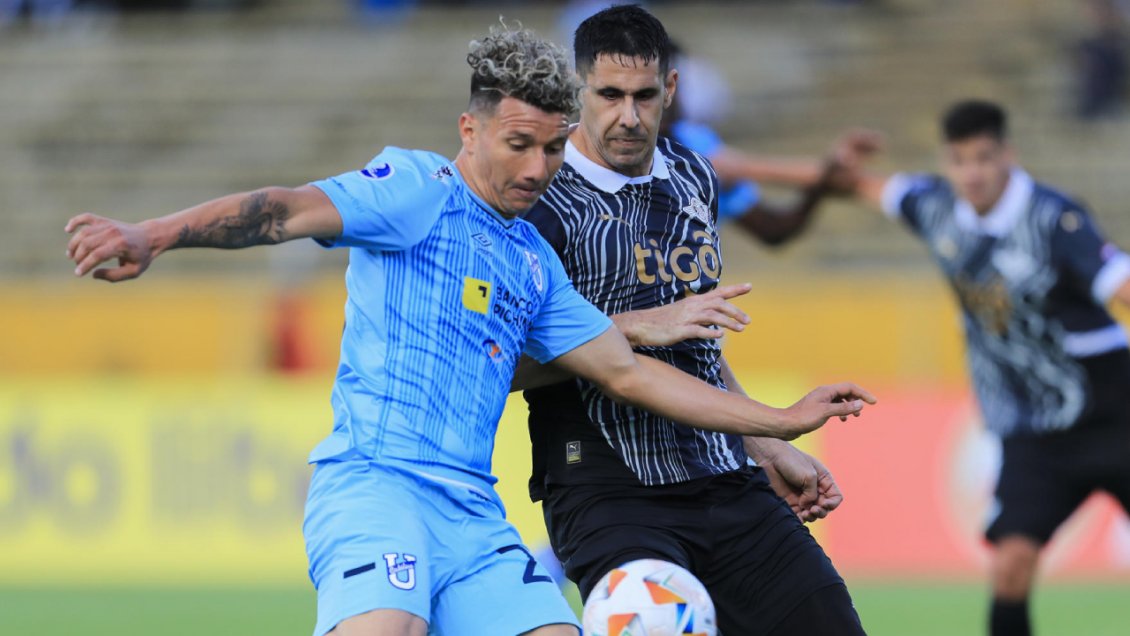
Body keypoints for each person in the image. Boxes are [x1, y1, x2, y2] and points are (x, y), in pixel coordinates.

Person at [64, 24, 876, 636]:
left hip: (471, 510)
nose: (535, 169)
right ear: (471, 130)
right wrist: (153, 234)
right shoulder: (414, 189)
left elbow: (628, 371)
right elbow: (283, 209)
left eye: (554, 150)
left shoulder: (531, 261)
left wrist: (781, 421)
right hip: (376, 485)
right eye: (519, 144)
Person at [514, 6, 869, 635]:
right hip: (606, 487)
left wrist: (761, 444)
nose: (628, 115)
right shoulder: (536, 201)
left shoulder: (692, 176)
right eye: (610, 95)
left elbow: (697, 344)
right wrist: (630, 328)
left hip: (722, 475)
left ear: (671, 90)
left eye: (645, 96)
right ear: (578, 89)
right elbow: (505, 365)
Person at [853, 99, 1130, 636]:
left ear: (1009, 155)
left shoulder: (1054, 218)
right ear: (946, 162)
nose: (973, 173)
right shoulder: (935, 206)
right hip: (1035, 432)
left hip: (1116, 413)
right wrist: (736, 166)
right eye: (961, 160)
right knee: (1009, 570)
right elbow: (859, 184)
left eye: (984, 158)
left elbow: (1119, 282)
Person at [663, 41, 882, 247]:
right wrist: (828, 173)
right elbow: (732, 169)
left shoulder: (694, 139)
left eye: (674, 85)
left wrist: (827, 176)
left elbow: (772, 229)